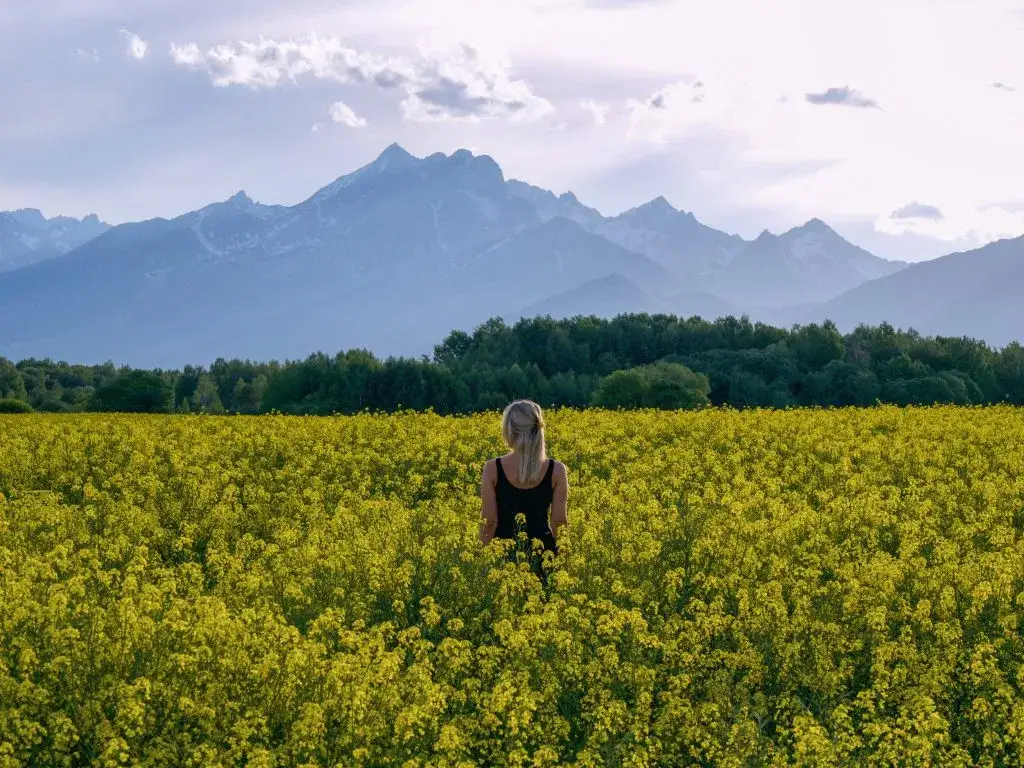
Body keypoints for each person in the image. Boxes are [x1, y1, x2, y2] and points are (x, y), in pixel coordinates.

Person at [479, 400, 569, 578]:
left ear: (510, 431)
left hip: (503, 556)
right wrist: (563, 563)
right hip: (544, 556)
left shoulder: (492, 468)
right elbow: (559, 522)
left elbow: (489, 521)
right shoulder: (557, 470)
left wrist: (482, 560)